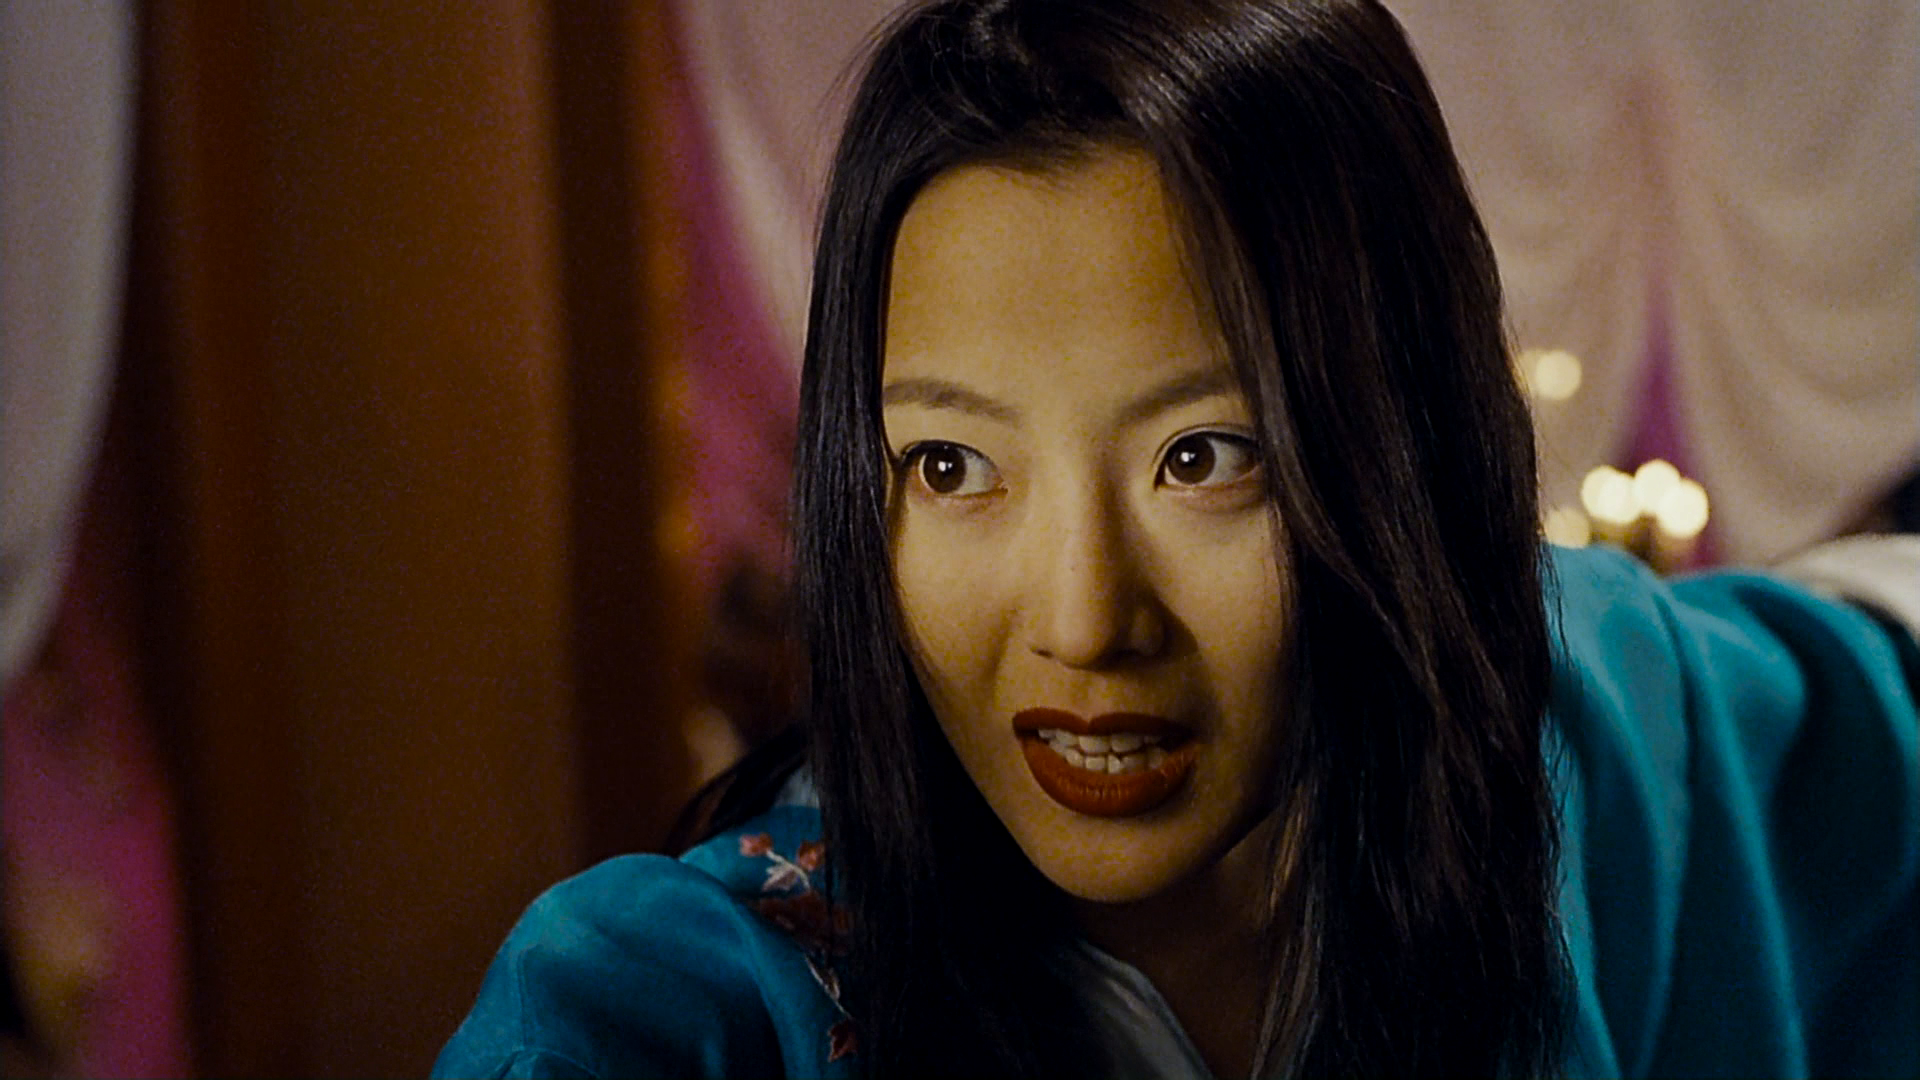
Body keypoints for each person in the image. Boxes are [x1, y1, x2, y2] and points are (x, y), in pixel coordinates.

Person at [433, 1, 1920, 1076]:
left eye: (1204, 459)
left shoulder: (1597, 722)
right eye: (951, 466)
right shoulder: (672, 1008)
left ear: (1401, 452)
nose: (1084, 620)